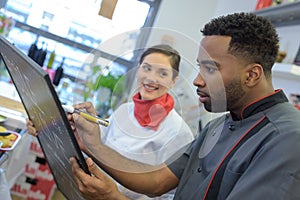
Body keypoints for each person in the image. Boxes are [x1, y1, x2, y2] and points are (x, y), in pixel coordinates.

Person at [68, 12, 300, 200]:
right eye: (200, 67)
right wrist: (93, 145)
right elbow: (157, 181)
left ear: (251, 75)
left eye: (210, 69)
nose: (197, 80)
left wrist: (113, 198)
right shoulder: (217, 127)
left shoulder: (289, 138)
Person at [27, 44, 195, 199]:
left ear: (174, 80)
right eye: (147, 68)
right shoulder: (124, 111)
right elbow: (93, 150)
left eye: (162, 73)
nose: (151, 78)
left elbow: (170, 195)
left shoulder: (179, 132)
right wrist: (47, 128)